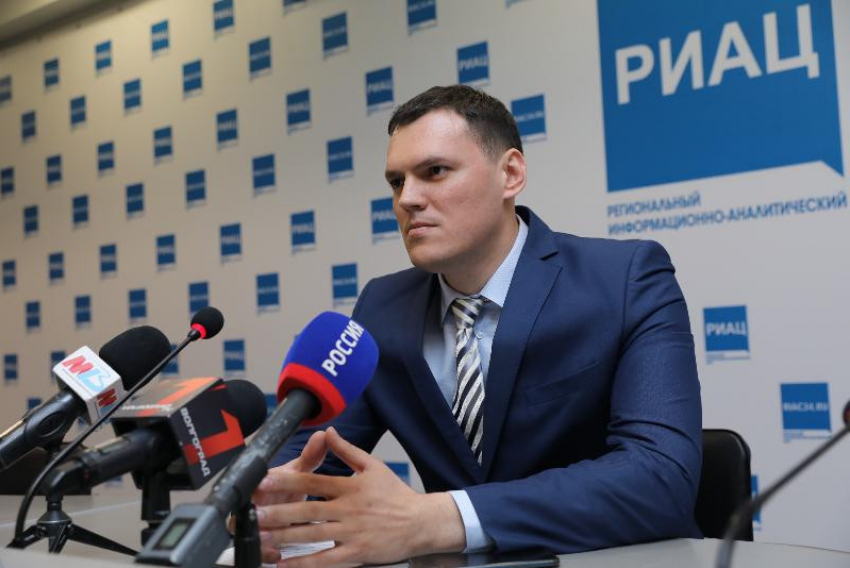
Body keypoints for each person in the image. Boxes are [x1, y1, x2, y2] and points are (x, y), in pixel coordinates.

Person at [256, 85, 702, 567]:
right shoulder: (382, 307)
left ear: (510, 174)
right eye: (396, 181)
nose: (407, 199)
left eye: (434, 172)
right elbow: (310, 459)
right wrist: (271, 501)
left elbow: (661, 477)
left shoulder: (625, 280)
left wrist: (436, 519)